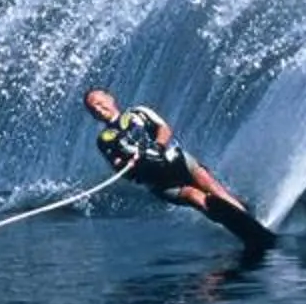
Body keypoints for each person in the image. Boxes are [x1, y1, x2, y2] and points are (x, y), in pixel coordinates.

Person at [82, 85, 268, 244]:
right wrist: (130, 165)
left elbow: (164, 128)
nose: (98, 109)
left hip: (176, 160)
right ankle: (241, 229)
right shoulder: (105, 140)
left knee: (209, 184)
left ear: (110, 98)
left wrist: (158, 146)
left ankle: (246, 216)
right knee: (195, 196)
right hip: (159, 182)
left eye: (99, 103)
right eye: (92, 109)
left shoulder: (138, 112)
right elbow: (119, 168)